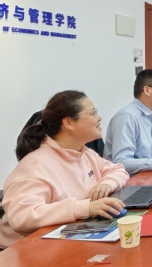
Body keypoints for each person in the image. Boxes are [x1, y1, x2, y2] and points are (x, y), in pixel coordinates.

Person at [0, 90, 129, 249]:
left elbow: (118, 170)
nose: (99, 118)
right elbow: (22, 216)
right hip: (23, 251)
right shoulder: (36, 165)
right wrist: (85, 208)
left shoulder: (84, 153)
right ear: (68, 123)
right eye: (93, 113)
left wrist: (107, 183)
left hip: (64, 240)